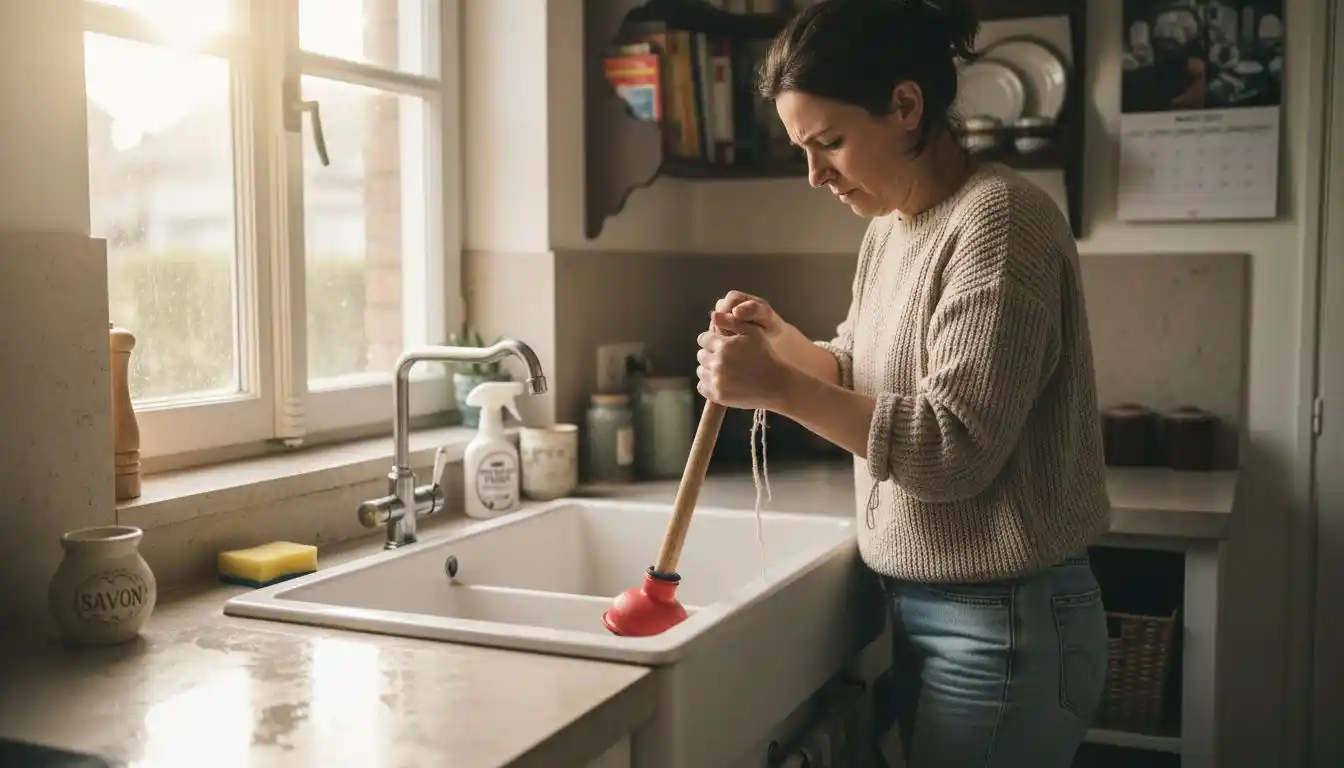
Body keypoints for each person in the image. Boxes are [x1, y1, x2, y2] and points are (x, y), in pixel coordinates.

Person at [693, 0, 1113, 765]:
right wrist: (780, 346)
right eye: (802, 149)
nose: (815, 175)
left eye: (830, 143)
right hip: (932, 610)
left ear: (906, 106)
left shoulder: (1001, 221)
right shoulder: (890, 228)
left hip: (1004, 623)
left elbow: (951, 453)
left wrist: (778, 390)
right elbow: (860, 374)